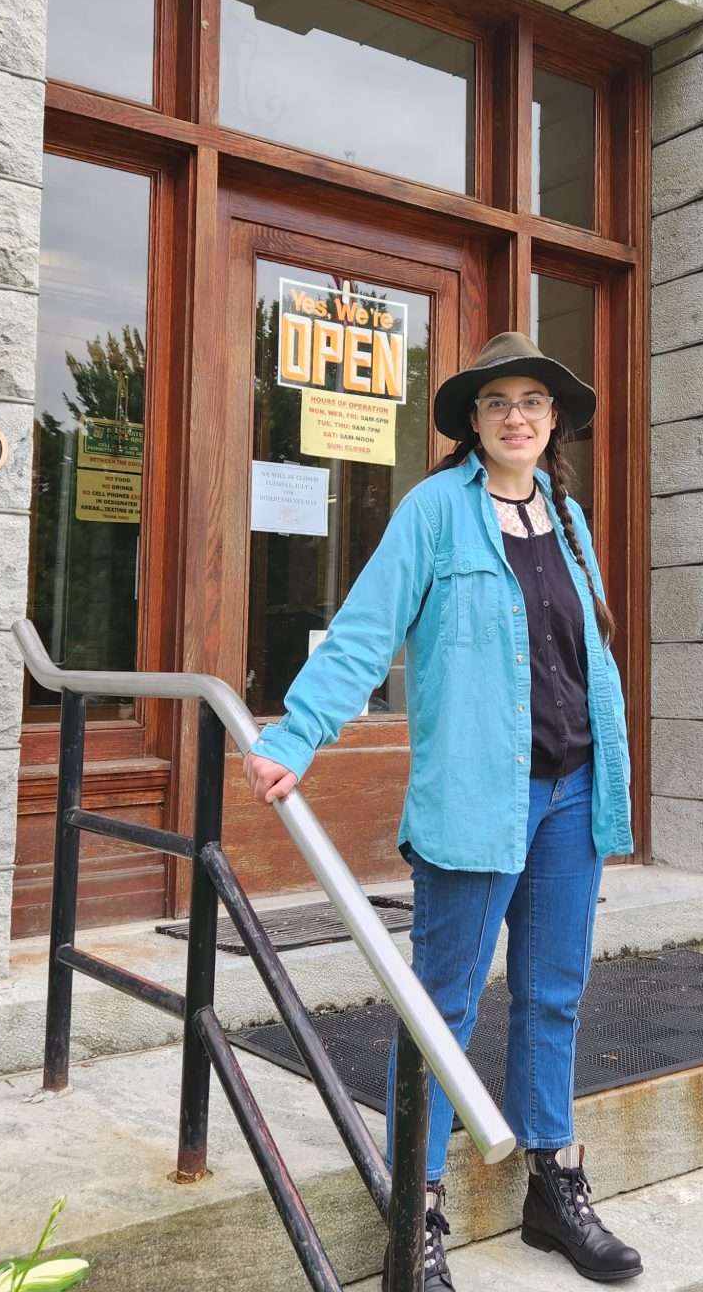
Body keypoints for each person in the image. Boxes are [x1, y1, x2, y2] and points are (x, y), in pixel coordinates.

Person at [245, 331, 643, 1289]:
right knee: (440, 1009)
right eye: (499, 401)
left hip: (572, 796)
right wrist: (294, 738)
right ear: (473, 421)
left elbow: (581, 653)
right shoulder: (433, 513)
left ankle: (553, 1181)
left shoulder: (570, 520)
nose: (518, 416)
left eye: (535, 403)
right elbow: (364, 631)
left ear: (555, 424)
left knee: (553, 992)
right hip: (475, 803)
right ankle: (412, 1216)